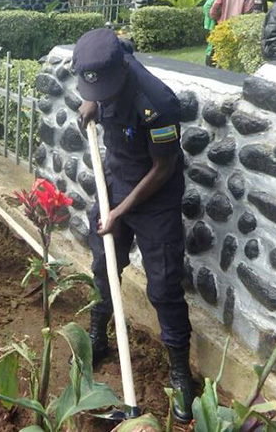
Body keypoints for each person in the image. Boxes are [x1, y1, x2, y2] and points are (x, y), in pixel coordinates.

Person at [72, 28, 193, 423]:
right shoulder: (107, 64)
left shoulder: (157, 104)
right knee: (104, 266)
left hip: (153, 195)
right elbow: (95, 89)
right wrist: (91, 103)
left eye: (105, 89)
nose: (101, 94)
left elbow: (163, 169)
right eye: (94, 88)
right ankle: (98, 334)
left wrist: (121, 211)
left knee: (163, 286)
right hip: (116, 182)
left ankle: (179, 373)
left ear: (123, 71)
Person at [203, 0, 233, 67]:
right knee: (212, 45)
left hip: (213, 20)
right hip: (213, 21)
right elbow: (207, 5)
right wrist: (214, 17)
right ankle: (209, 64)